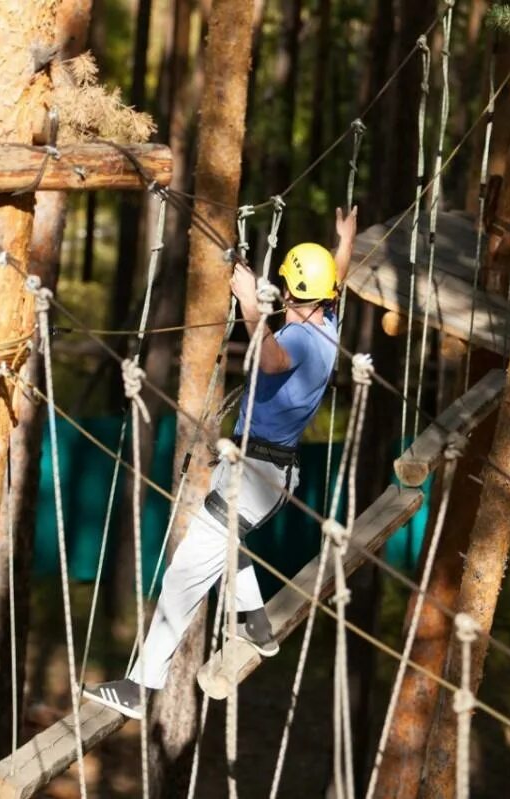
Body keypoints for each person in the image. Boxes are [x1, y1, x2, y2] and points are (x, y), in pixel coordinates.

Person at [84, 206, 358, 720]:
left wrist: (251, 305)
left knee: (184, 576)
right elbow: (334, 277)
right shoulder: (330, 321)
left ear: (293, 291)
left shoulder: (296, 338)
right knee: (225, 540)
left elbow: (272, 357)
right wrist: (343, 243)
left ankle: (141, 687)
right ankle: (255, 621)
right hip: (269, 473)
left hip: (256, 474)